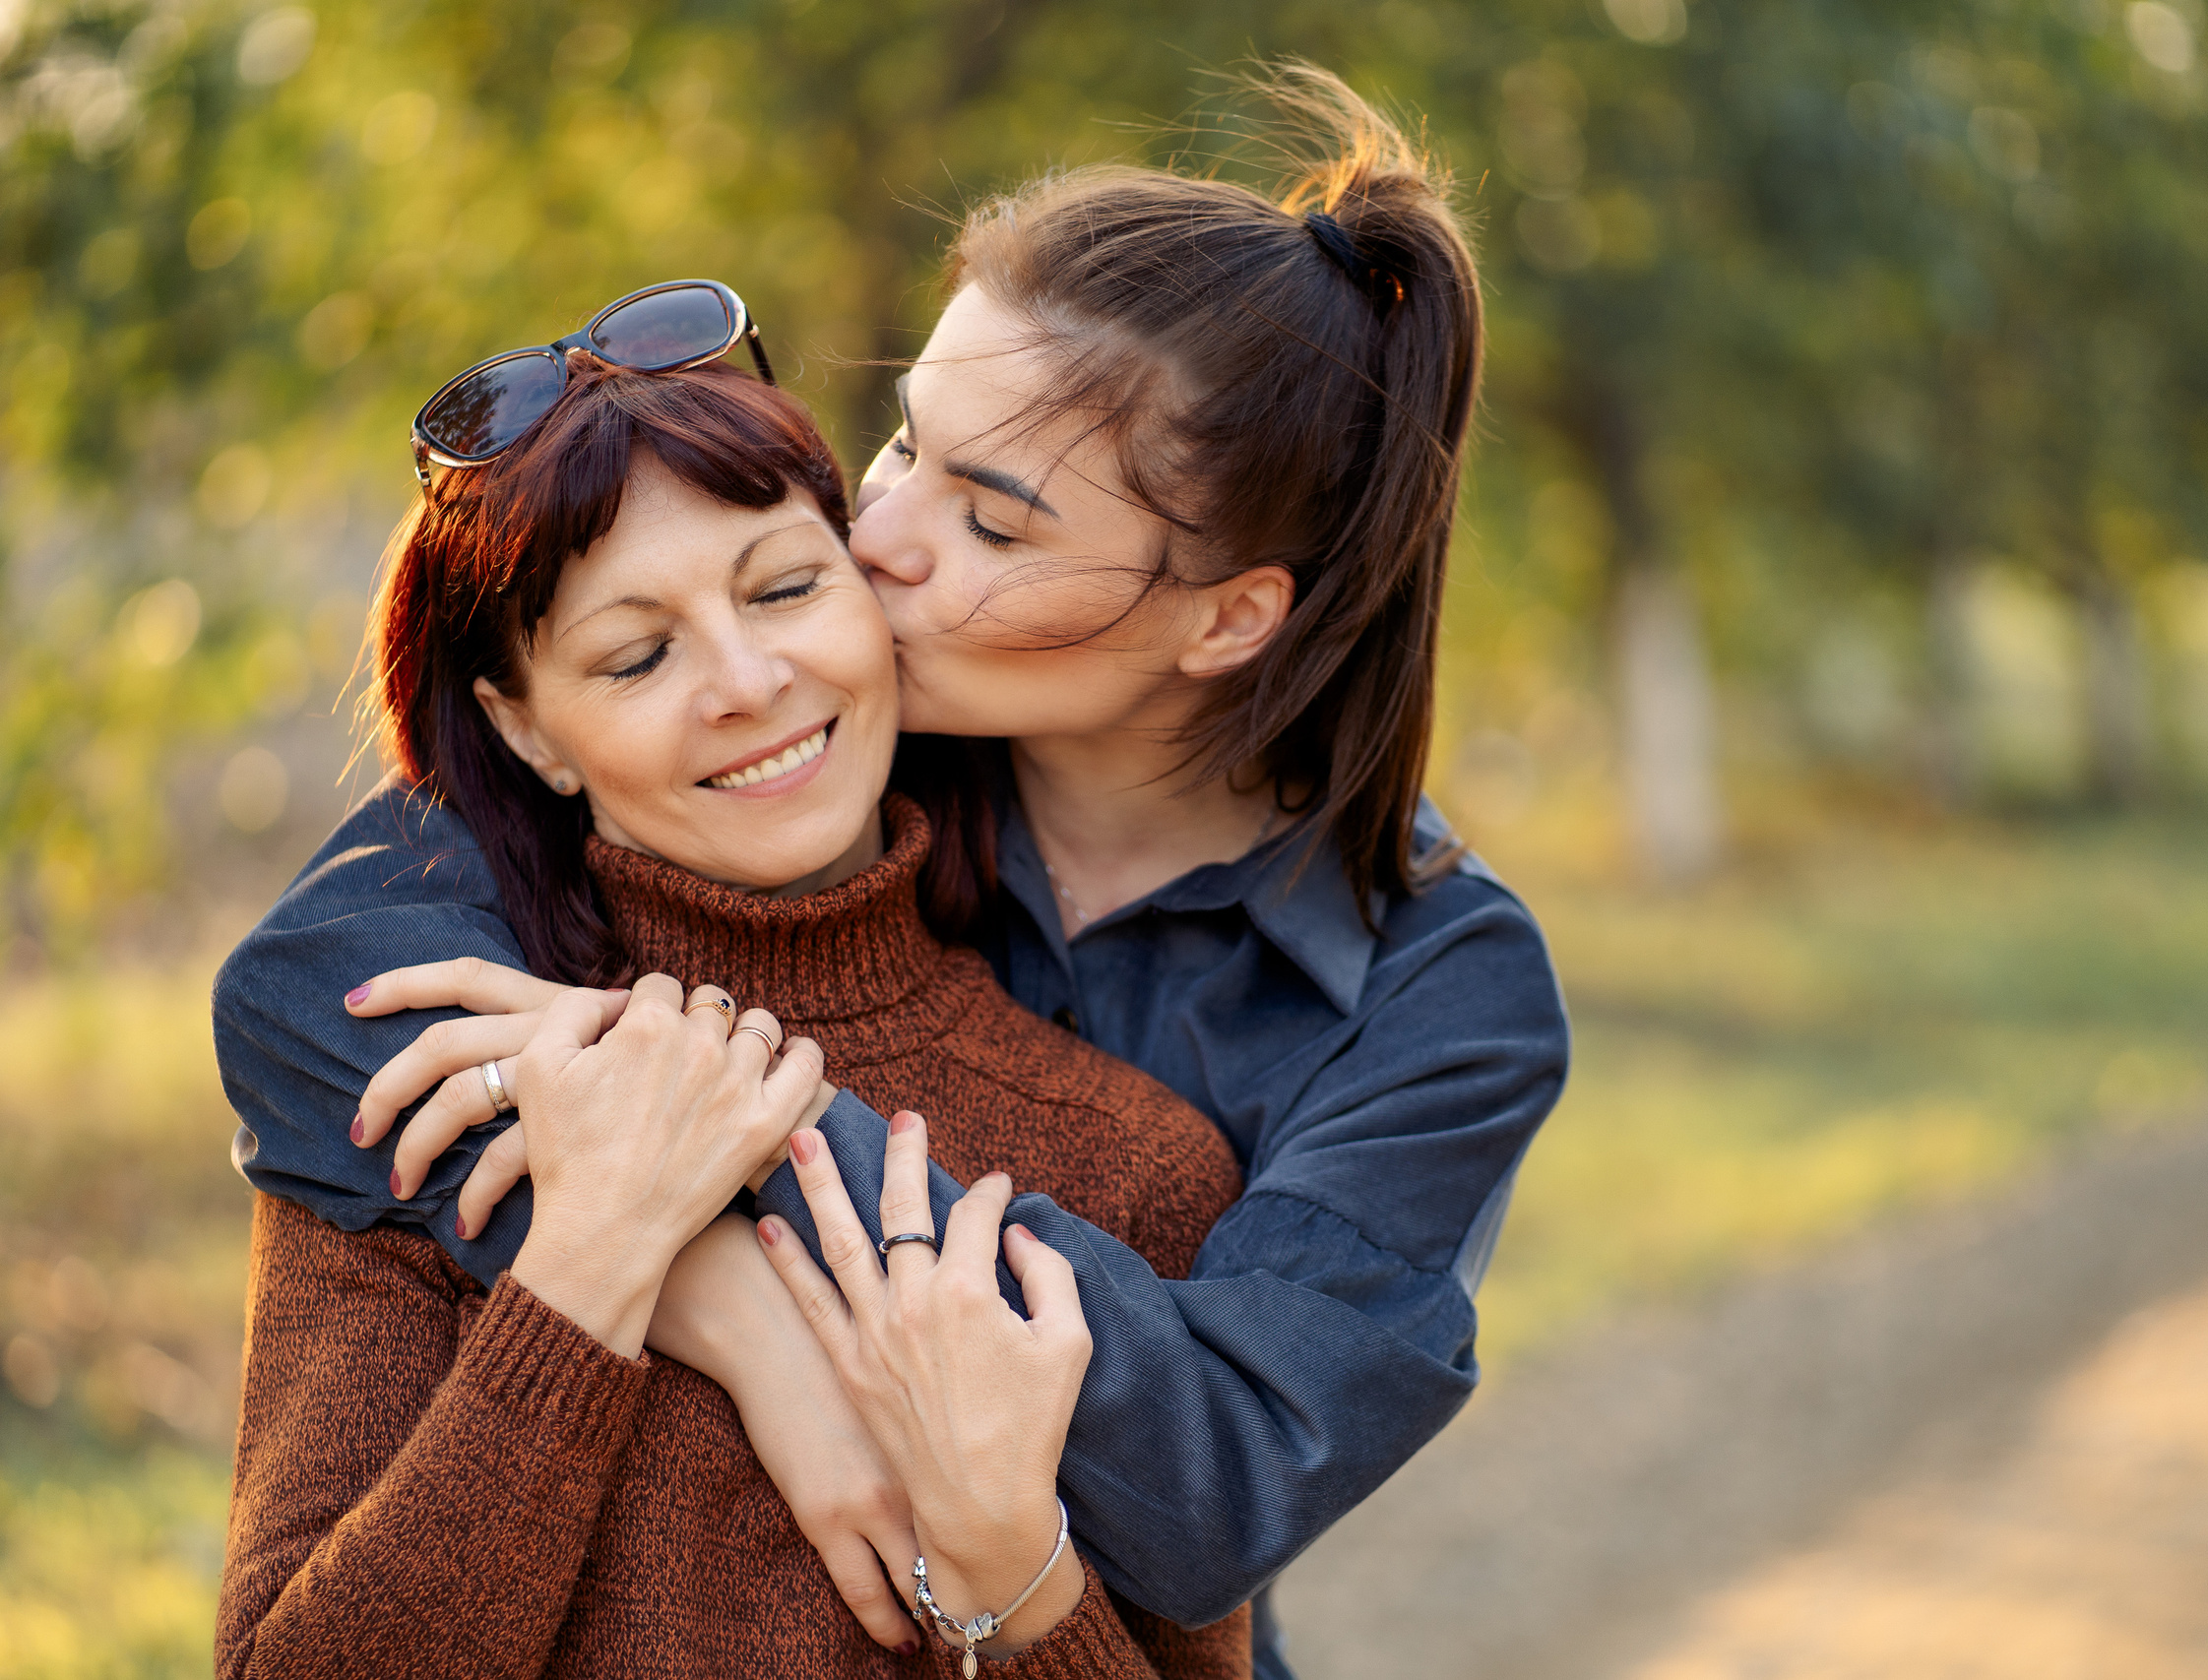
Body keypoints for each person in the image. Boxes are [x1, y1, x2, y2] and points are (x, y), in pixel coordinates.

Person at [216, 65, 1566, 1680]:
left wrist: (703, 1103)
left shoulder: (1439, 991)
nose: (879, 536)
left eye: (991, 522)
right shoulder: (795, 744)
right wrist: (713, 1295)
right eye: (907, 443)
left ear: (1226, 619)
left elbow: (1215, 1481)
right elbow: (306, 998)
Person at [218, 350, 1253, 1678]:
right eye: (636, 655)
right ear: (527, 733)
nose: (747, 680)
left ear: (873, 591)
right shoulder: (444, 1087)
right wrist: (592, 1263)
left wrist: (1010, 1563)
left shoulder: (1138, 1160)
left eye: (784, 588)